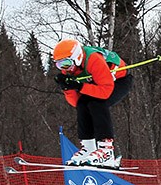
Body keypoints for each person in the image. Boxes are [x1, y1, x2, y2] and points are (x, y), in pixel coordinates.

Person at [52, 38, 133, 167]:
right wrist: (68, 88)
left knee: (97, 103)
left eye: (66, 63)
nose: (65, 69)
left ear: (77, 57)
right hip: (97, 84)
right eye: (59, 65)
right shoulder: (69, 69)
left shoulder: (93, 60)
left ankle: (107, 151)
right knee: (83, 104)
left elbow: (105, 91)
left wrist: (79, 86)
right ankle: (88, 147)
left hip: (119, 81)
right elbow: (76, 103)